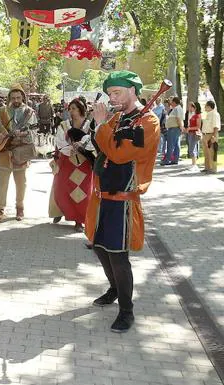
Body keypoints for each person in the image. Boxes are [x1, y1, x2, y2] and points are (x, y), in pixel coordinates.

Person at [85, 70, 160, 333]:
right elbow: (103, 149)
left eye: (116, 92)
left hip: (123, 201)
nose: (112, 97)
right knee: (100, 248)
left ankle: (127, 311)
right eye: (109, 93)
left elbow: (119, 154)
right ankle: (114, 289)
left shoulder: (147, 122)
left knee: (118, 255)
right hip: (102, 197)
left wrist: (103, 125)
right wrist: (98, 130)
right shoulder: (118, 119)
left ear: (132, 91)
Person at [0, 85, 37, 222]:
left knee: (21, 182)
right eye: (13, 97)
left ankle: (20, 208)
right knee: (3, 181)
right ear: (9, 98)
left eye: (18, 97)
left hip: (21, 151)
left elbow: (33, 132)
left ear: (23, 98)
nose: (16, 100)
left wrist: (24, 134)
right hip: (4, 151)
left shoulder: (30, 112)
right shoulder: (1, 111)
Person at [49, 98, 95, 232]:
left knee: (82, 192)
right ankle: (61, 211)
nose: (71, 111)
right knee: (62, 188)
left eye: (74, 108)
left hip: (84, 163)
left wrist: (82, 146)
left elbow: (94, 139)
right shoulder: (64, 125)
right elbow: (59, 142)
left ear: (81, 109)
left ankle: (79, 220)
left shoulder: (89, 125)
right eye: (70, 109)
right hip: (67, 161)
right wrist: (70, 148)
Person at [161, 96, 184, 165]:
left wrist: (181, 127)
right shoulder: (176, 108)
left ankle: (167, 160)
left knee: (170, 145)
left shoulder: (177, 108)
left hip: (174, 128)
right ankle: (175, 159)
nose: (171, 103)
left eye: (172, 102)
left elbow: (178, 118)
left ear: (174, 102)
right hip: (175, 128)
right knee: (176, 145)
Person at [201, 100, 221, 174]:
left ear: (209, 106)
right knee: (206, 152)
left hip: (211, 134)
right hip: (205, 135)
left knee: (212, 152)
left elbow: (215, 126)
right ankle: (207, 167)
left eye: (206, 106)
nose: (205, 107)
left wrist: (214, 136)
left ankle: (213, 168)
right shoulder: (208, 114)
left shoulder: (215, 114)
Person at [185, 102, 202, 172]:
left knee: (193, 149)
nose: (190, 108)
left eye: (191, 107)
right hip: (190, 133)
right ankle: (193, 164)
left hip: (194, 133)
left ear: (195, 107)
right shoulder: (193, 115)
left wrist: (189, 128)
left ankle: (195, 165)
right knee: (191, 149)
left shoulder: (198, 115)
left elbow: (198, 126)